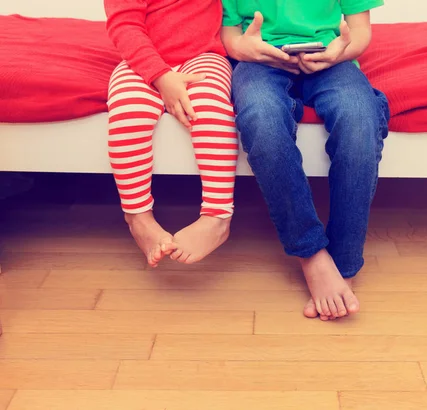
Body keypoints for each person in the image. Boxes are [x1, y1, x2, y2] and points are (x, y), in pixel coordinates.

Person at [221, 1, 390, 320]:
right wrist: (244, 49)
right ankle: (311, 253)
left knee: (360, 119)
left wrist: (339, 52)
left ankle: (343, 263)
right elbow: (229, 33)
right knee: (261, 119)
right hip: (260, 61)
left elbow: (360, 30)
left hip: (331, 61)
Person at [104, 0, 238, 267]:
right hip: (143, 59)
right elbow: (124, 25)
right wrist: (160, 75)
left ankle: (217, 216)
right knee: (128, 111)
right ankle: (138, 217)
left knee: (210, 106)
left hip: (203, 55)